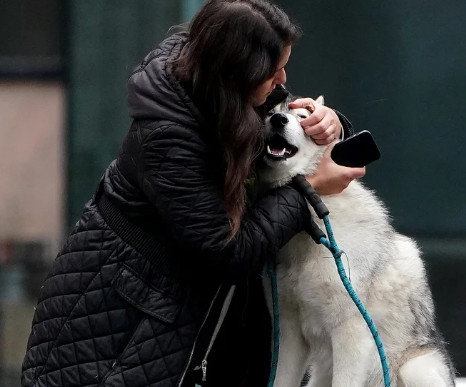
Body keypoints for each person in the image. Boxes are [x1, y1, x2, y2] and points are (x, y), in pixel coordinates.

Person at [21, 1, 365, 386]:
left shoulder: (219, 85)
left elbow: (291, 138)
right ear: (239, 71)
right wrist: (309, 191)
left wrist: (331, 123)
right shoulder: (169, 137)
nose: (282, 81)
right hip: (113, 340)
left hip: (169, 319)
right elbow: (224, 251)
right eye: (273, 70)